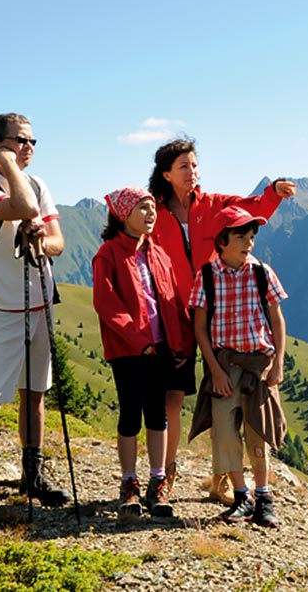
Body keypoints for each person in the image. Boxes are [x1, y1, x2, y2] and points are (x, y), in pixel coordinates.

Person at [147, 137, 295, 496]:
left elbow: (250, 208)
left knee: (222, 393)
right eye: (184, 166)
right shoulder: (154, 212)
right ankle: (165, 474)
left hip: (218, 312)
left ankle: (221, 481)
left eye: (195, 165)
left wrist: (273, 191)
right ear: (166, 174)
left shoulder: (212, 204)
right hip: (173, 311)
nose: (192, 172)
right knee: (174, 396)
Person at [0, 113, 71, 509]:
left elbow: (57, 243)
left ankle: (32, 474)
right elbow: (21, 206)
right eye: (20, 140)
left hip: (38, 301)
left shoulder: (39, 185)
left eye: (33, 142)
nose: (29, 148)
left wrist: (42, 236)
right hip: (0, 305)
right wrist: (5, 165)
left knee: (34, 393)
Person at [188, 205, 289, 529]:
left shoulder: (262, 272)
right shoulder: (206, 276)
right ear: (221, 240)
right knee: (226, 433)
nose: (249, 243)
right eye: (241, 236)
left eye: (251, 236)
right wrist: (215, 372)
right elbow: (200, 329)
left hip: (257, 366)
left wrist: (278, 364)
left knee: (257, 430)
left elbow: (276, 319)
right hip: (224, 365)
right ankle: (241, 495)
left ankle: (263, 498)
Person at [91, 186, 188, 519]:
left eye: (152, 208)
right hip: (128, 350)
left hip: (160, 346)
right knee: (131, 413)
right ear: (122, 215)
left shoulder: (159, 253)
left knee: (158, 413)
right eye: (142, 208)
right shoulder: (108, 253)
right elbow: (105, 302)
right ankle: (129, 483)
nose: (151, 214)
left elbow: (173, 301)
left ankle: (157, 482)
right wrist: (138, 340)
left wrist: (181, 341)